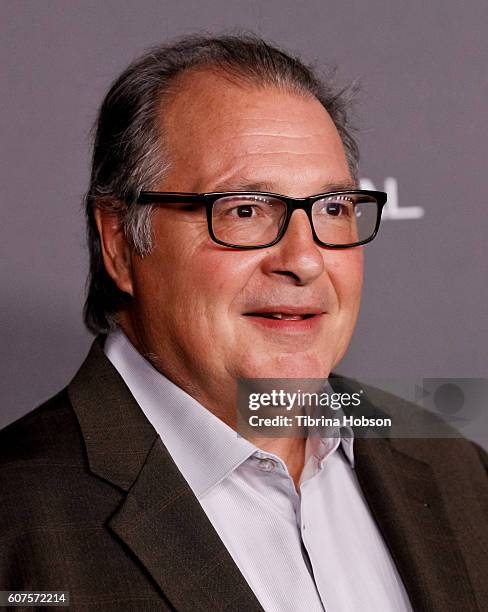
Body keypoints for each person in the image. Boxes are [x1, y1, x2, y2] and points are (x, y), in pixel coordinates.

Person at [1, 35, 486, 612]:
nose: (305, 260)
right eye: (245, 210)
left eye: (332, 209)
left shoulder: (459, 473)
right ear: (120, 244)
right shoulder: (17, 525)